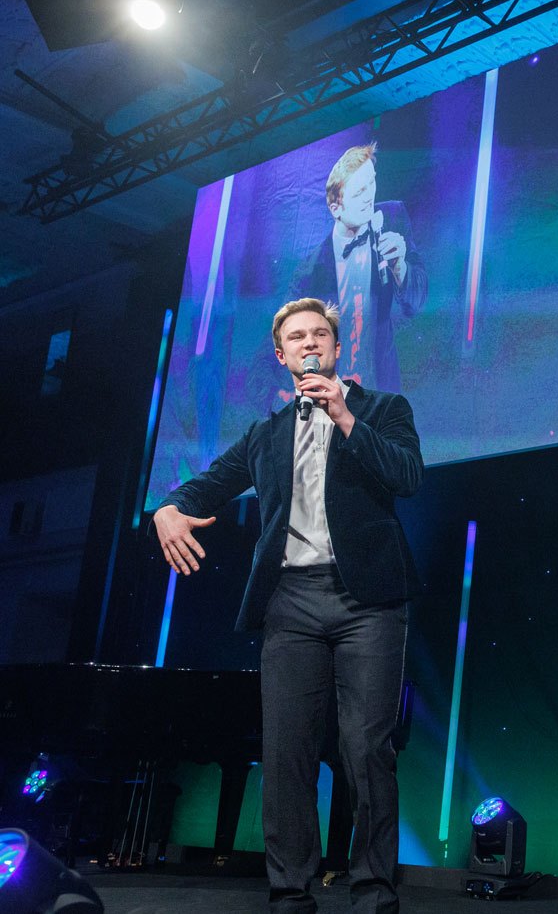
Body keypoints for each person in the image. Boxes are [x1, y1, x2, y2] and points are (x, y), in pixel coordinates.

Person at [153, 298, 423, 914]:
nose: (309, 343)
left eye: (319, 334)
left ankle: (374, 894)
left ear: (336, 348)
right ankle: (290, 894)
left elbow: (408, 475)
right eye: (297, 337)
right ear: (282, 356)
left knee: (366, 750)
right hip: (291, 601)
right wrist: (167, 510)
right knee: (287, 752)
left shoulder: (383, 408)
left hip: (368, 602)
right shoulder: (265, 434)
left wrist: (344, 414)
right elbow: (206, 486)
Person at [290, 143, 428, 391]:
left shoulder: (392, 218)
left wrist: (400, 267)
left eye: (371, 183)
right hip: (332, 392)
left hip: (380, 389)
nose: (369, 197)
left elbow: (416, 302)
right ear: (336, 209)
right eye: (359, 192)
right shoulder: (312, 270)